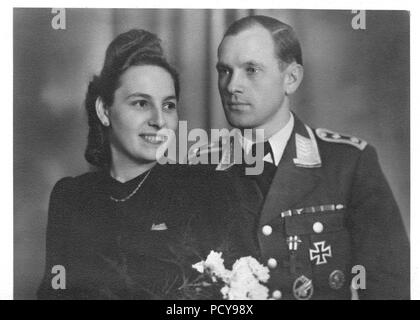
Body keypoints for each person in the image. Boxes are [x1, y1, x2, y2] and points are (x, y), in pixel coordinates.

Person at [190, 15, 410, 300]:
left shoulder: (348, 164)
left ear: (291, 78)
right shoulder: (197, 167)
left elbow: (390, 285)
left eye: (251, 70)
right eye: (224, 71)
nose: (232, 86)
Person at [37, 29, 243, 300]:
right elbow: (54, 294)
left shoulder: (202, 188)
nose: (159, 120)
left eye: (168, 105)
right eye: (141, 103)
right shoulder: (71, 197)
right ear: (104, 110)